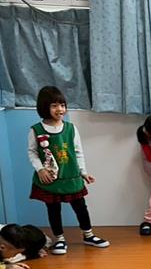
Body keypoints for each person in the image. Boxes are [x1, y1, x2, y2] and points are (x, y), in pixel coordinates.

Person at [28, 86, 109, 255]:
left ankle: (88, 235)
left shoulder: (71, 128)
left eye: (62, 105)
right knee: (53, 209)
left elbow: (78, 152)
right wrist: (40, 169)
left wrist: (83, 172)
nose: (60, 109)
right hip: (51, 179)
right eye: (54, 106)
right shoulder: (36, 130)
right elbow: (32, 152)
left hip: (71, 176)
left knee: (80, 207)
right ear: (44, 107)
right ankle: (59, 239)